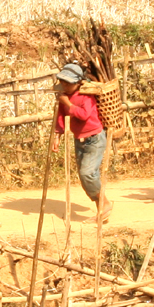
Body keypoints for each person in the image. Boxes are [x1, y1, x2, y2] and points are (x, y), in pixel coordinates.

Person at [53, 61, 111, 222]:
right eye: (63, 82)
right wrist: (57, 136)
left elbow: (84, 115)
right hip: (79, 140)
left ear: (78, 82)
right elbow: (60, 117)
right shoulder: (64, 97)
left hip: (94, 139)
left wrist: (67, 103)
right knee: (85, 176)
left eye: (68, 83)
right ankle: (102, 210)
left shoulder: (86, 95)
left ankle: (105, 203)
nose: (64, 86)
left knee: (88, 173)